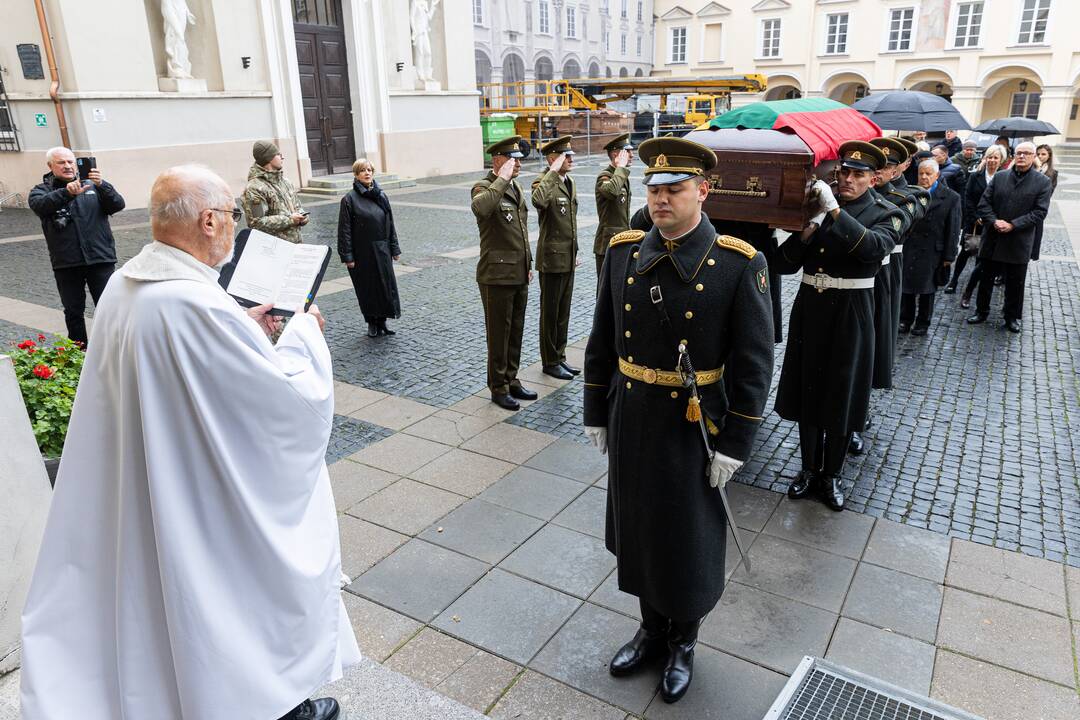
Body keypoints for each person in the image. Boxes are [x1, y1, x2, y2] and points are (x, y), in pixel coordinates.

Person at [20, 165, 356, 720]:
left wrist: (243, 325)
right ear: (208, 221)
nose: (232, 227)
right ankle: (263, 705)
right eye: (230, 216)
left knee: (156, 600)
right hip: (202, 497)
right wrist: (302, 334)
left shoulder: (128, 286)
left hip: (149, 479)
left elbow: (197, 363)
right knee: (224, 597)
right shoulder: (190, 305)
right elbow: (286, 406)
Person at [583, 137, 773, 704]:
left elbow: (754, 364)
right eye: (655, 190)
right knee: (640, 527)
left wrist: (735, 444)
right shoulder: (622, 252)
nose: (661, 200)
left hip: (695, 426)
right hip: (633, 416)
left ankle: (684, 639)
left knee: (686, 535)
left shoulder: (740, 264)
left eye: (675, 189)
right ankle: (651, 629)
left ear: (703, 192)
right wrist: (597, 410)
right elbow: (600, 340)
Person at [773, 142, 901, 511]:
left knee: (842, 394)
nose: (847, 179)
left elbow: (872, 249)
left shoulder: (885, 212)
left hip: (852, 311)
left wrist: (833, 210)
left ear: (874, 178)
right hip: (812, 306)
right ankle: (808, 469)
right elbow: (784, 263)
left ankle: (831, 475)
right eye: (844, 172)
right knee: (809, 388)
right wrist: (810, 225)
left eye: (857, 174)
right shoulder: (817, 210)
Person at [28, 146, 126, 347]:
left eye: (70, 161)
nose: (67, 166)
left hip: (100, 258)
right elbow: (40, 206)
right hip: (67, 262)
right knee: (73, 311)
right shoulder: (41, 190)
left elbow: (118, 204)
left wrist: (103, 184)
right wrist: (66, 193)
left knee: (109, 307)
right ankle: (78, 354)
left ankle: (115, 349)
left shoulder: (93, 185)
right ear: (50, 166)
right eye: (61, 162)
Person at [471, 135, 538, 410]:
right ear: (497, 160)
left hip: (518, 272)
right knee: (499, 334)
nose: (518, 164)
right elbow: (482, 208)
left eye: (519, 160)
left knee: (516, 331)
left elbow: (521, 232)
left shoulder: (515, 188)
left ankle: (511, 379)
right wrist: (501, 179)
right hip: (496, 275)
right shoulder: (483, 187)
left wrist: (528, 264)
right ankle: (497, 387)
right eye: (513, 159)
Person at [968, 141, 1051, 332]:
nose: (1022, 156)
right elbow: (984, 204)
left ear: (1033, 157)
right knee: (985, 279)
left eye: (1026, 153)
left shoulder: (1042, 182)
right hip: (993, 237)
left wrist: (1014, 224)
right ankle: (981, 311)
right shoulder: (1000, 177)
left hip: (1018, 241)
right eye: (1019, 153)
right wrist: (994, 221)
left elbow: (1039, 212)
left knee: (1015, 284)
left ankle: (1012, 317)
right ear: (1014, 156)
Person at [532, 135, 581, 380]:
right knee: (550, 313)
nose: (571, 159)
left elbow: (569, 223)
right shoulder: (543, 182)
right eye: (565, 156)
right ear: (553, 159)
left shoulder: (568, 181)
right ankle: (549, 361)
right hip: (551, 259)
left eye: (571, 155)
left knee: (563, 312)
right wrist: (551, 172)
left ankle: (559, 356)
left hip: (567, 257)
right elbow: (538, 201)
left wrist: (576, 251)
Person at [337, 158, 402, 337]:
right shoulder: (349, 199)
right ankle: (371, 323)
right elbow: (345, 231)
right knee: (367, 288)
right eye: (363, 170)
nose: (367, 173)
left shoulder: (381, 195)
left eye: (369, 170)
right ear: (356, 175)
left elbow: (390, 222)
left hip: (382, 249)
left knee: (384, 286)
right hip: (362, 251)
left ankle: (382, 321)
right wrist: (347, 256)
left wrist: (394, 248)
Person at [900, 160, 960, 335]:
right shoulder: (911, 194)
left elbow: (953, 228)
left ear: (937, 175)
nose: (924, 177)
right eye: (921, 174)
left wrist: (949, 256)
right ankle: (905, 319)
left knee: (927, 289)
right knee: (907, 287)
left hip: (933, 250)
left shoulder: (951, 197)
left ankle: (923, 322)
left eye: (928, 174)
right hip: (910, 247)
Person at [946, 144, 1007, 305]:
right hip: (974, 222)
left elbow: (1003, 202)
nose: (992, 160)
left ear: (1001, 160)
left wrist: (991, 218)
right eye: (989, 157)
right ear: (985, 158)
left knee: (982, 259)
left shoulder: (1003, 177)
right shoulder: (976, 175)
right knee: (965, 252)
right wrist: (974, 217)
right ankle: (954, 280)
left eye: (996, 157)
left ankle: (969, 291)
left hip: (991, 224)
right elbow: (968, 198)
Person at [242, 140, 308, 243]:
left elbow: (297, 207)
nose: (282, 157)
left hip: (296, 246)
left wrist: (303, 217)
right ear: (269, 158)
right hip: (274, 249)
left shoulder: (286, 182)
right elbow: (257, 223)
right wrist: (290, 220)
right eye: (278, 154)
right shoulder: (254, 188)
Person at [594, 134, 634, 277]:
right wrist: (621, 167)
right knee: (606, 290)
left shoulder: (620, 175)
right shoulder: (605, 177)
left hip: (621, 241)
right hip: (607, 244)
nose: (632, 155)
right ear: (616, 154)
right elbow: (612, 191)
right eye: (627, 152)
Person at [1031, 143, 1059, 261]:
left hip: (1038, 208)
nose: (1040, 156)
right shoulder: (1029, 168)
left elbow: (1049, 192)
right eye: (1038, 154)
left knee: (1034, 236)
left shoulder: (1052, 173)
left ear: (1049, 156)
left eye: (1043, 154)